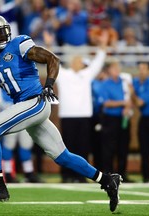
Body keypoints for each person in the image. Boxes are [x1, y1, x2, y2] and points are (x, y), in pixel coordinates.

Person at [0, 15, 122, 213]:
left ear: (8, 30)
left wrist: (48, 85)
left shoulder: (19, 44)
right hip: (25, 107)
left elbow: (52, 59)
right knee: (62, 156)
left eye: (1, 31)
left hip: (34, 101)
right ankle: (108, 180)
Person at [55, 33, 107, 183]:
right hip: (68, 117)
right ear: (72, 63)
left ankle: (82, 176)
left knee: (83, 148)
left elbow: (98, 62)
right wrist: (49, 44)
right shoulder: (64, 74)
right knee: (67, 149)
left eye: (81, 62)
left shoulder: (87, 74)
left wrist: (103, 46)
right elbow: (51, 62)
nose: (79, 63)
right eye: (77, 61)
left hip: (84, 116)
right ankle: (66, 175)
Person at [99, 60, 133, 183]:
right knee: (109, 148)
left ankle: (122, 174)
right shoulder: (105, 84)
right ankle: (109, 175)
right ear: (109, 70)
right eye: (114, 68)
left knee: (123, 147)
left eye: (118, 67)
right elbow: (106, 103)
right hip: (110, 120)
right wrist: (122, 103)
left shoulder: (124, 82)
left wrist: (128, 107)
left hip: (123, 119)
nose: (117, 70)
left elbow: (130, 98)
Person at [0, 90, 42, 183]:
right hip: (10, 117)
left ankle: (29, 173)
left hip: (25, 117)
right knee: (9, 145)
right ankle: (8, 173)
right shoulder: (2, 83)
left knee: (26, 145)